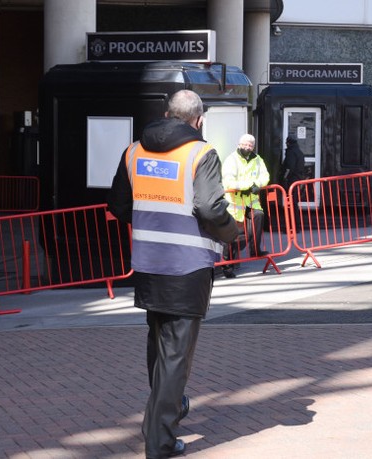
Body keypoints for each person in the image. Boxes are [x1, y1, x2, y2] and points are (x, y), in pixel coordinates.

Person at [108, 89, 238, 458]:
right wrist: (232, 232)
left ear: (167, 114)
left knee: (160, 349)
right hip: (188, 266)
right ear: (198, 120)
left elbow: (118, 204)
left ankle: (168, 409)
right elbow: (210, 209)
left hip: (149, 262)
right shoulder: (201, 152)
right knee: (176, 357)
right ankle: (159, 441)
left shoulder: (134, 151)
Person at [220, 133, 271, 278]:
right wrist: (248, 185)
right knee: (230, 235)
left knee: (259, 217)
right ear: (239, 144)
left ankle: (255, 249)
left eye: (250, 145)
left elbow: (265, 176)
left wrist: (257, 185)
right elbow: (229, 181)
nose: (248, 147)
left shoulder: (257, 159)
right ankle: (227, 265)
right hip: (234, 204)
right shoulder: (231, 160)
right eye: (245, 144)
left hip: (250, 202)